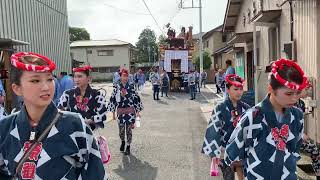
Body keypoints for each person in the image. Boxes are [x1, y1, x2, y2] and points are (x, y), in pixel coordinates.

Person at [0, 52, 106, 179]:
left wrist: (90, 120)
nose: (46, 87)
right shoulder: (4, 127)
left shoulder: (75, 124)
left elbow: (95, 173)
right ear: (17, 88)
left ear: (88, 78)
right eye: (35, 80)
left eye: (50, 79)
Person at [225, 58, 308, 179]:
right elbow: (234, 154)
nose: (295, 99)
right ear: (271, 89)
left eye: (298, 93)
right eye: (289, 94)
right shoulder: (252, 117)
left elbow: (295, 149)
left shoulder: (297, 116)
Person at [202, 74, 250, 180]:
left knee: (244, 177)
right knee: (228, 177)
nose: (239, 92)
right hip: (225, 151)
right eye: (235, 89)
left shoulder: (246, 108)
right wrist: (214, 154)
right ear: (227, 89)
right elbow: (213, 131)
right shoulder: (220, 107)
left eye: (241, 89)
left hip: (242, 150)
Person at [58, 65, 108, 130]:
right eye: (75, 77)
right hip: (72, 131)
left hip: (91, 131)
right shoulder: (67, 94)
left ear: (88, 78)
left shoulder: (97, 94)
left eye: (80, 76)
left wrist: (87, 121)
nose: (76, 79)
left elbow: (103, 115)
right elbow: (59, 112)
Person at [107, 69, 143, 155]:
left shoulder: (131, 86)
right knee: (121, 130)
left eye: (127, 76)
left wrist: (137, 111)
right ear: (120, 76)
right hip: (120, 112)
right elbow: (112, 100)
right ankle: (123, 141)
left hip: (130, 112)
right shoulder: (117, 87)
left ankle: (128, 146)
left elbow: (136, 98)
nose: (125, 78)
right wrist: (113, 113)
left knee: (129, 130)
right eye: (123, 76)